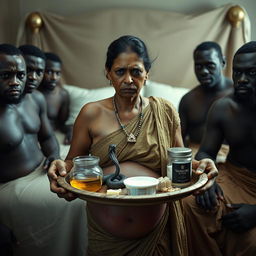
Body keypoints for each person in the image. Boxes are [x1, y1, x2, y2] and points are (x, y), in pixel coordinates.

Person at [47, 35, 218, 256]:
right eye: (120, 71)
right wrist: (59, 165)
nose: (128, 79)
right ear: (108, 73)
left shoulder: (164, 111)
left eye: (136, 71)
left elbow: (179, 162)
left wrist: (201, 165)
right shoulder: (91, 113)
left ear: (147, 74)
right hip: (106, 238)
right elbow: (72, 162)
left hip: (157, 234)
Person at [0, 44, 87, 256]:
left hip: (43, 169)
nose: (16, 82)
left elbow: (47, 137)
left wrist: (54, 156)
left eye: (21, 75)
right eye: (6, 75)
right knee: (77, 204)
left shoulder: (35, 99)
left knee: (91, 192)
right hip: (13, 185)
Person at [183, 41, 256, 256]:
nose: (241, 79)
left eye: (251, 72)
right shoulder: (224, 107)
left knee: (251, 242)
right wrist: (208, 178)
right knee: (188, 204)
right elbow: (206, 152)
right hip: (234, 176)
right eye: (238, 72)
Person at [178, 41, 233, 161]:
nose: (204, 71)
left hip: (229, 157)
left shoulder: (238, 94)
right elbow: (178, 141)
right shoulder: (188, 100)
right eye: (199, 66)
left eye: (210, 65)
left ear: (222, 62)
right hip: (195, 156)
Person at [38, 52, 72, 145]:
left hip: (51, 136)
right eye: (49, 72)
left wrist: (71, 130)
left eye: (57, 73)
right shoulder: (32, 92)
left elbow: (62, 124)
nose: (54, 77)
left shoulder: (62, 95)